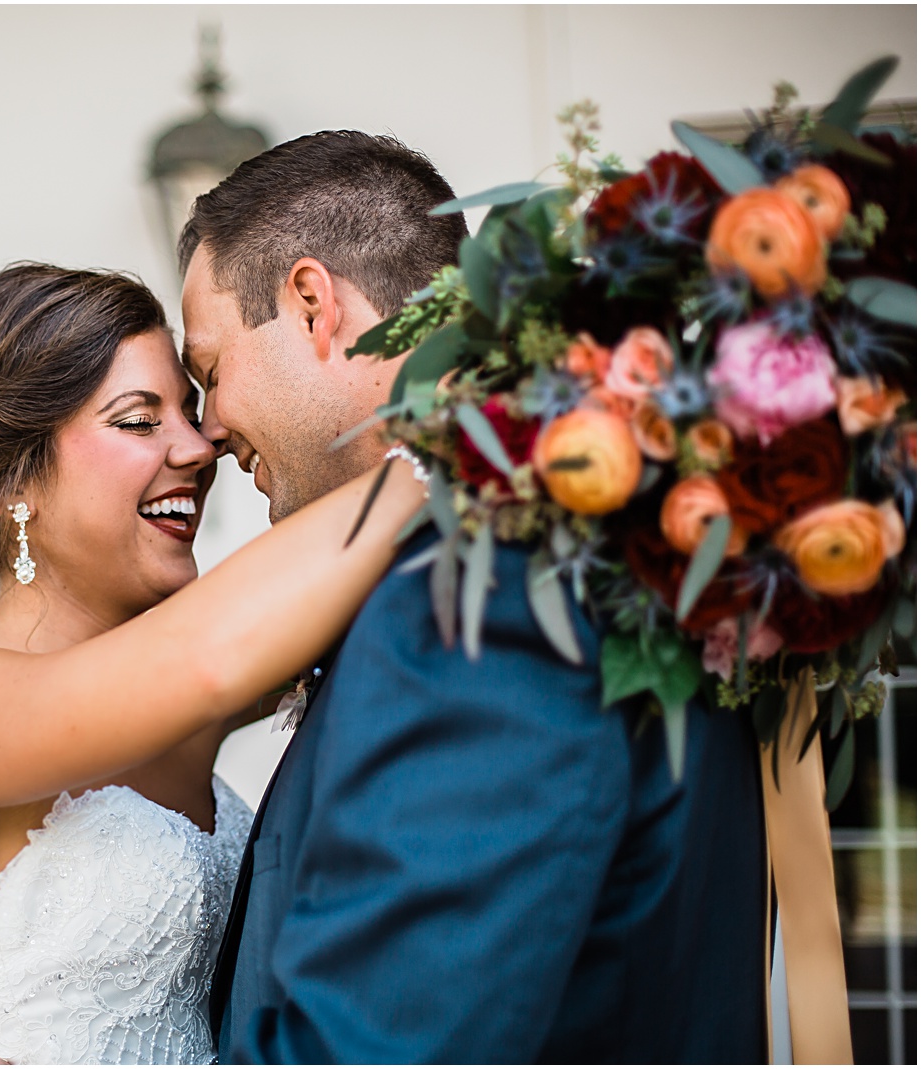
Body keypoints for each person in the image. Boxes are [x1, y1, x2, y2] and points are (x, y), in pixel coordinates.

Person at [180, 130, 768, 1062]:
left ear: (310, 305)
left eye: (209, 373)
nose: (207, 431)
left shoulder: (486, 597)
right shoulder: (573, 546)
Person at [0, 263, 428, 1064]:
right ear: (10, 479)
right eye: (138, 420)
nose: (199, 448)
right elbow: (209, 660)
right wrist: (454, 444)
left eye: (192, 414)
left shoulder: (187, 668)